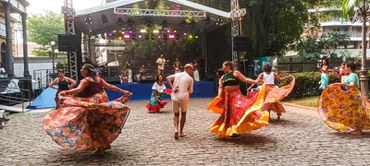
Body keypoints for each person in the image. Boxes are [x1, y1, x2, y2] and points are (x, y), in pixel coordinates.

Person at [44, 63, 133, 153]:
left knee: (92, 124)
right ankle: (100, 145)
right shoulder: (99, 79)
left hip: (94, 104)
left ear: (86, 71)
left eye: (82, 69)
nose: (80, 70)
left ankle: (99, 145)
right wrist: (124, 91)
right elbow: (110, 87)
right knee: (98, 123)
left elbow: (78, 90)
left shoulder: (85, 80)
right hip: (101, 102)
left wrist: (65, 93)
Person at [207, 61, 269, 138]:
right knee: (230, 114)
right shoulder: (222, 77)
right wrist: (219, 94)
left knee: (240, 109)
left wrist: (255, 82)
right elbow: (220, 87)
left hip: (236, 95)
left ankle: (237, 129)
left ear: (228, 66)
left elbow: (245, 79)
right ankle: (233, 131)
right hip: (227, 98)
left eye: (223, 66)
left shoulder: (235, 73)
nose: (222, 68)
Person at [318, 61, 368, 135]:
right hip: (354, 96)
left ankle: (356, 130)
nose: (345, 68)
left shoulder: (352, 76)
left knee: (352, 113)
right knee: (355, 113)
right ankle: (357, 129)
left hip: (353, 96)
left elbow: (352, 85)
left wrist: (341, 84)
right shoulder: (353, 75)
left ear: (349, 68)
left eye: (346, 67)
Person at [166, 64, 194, 139]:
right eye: (192, 69)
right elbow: (191, 91)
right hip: (184, 97)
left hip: (175, 96)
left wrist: (172, 87)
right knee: (183, 114)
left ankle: (176, 130)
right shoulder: (190, 79)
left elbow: (167, 78)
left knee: (176, 114)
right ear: (188, 69)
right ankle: (181, 132)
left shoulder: (177, 74)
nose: (192, 71)